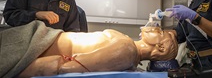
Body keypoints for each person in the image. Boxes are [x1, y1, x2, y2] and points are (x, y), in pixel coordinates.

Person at [16, 23, 178, 77]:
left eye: (160, 33)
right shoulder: (130, 56)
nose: (156, 28)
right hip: (43, 40)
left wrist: (18, 71)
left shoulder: (127, 51)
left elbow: (64, 67)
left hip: (37, 46)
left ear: (161, 47)